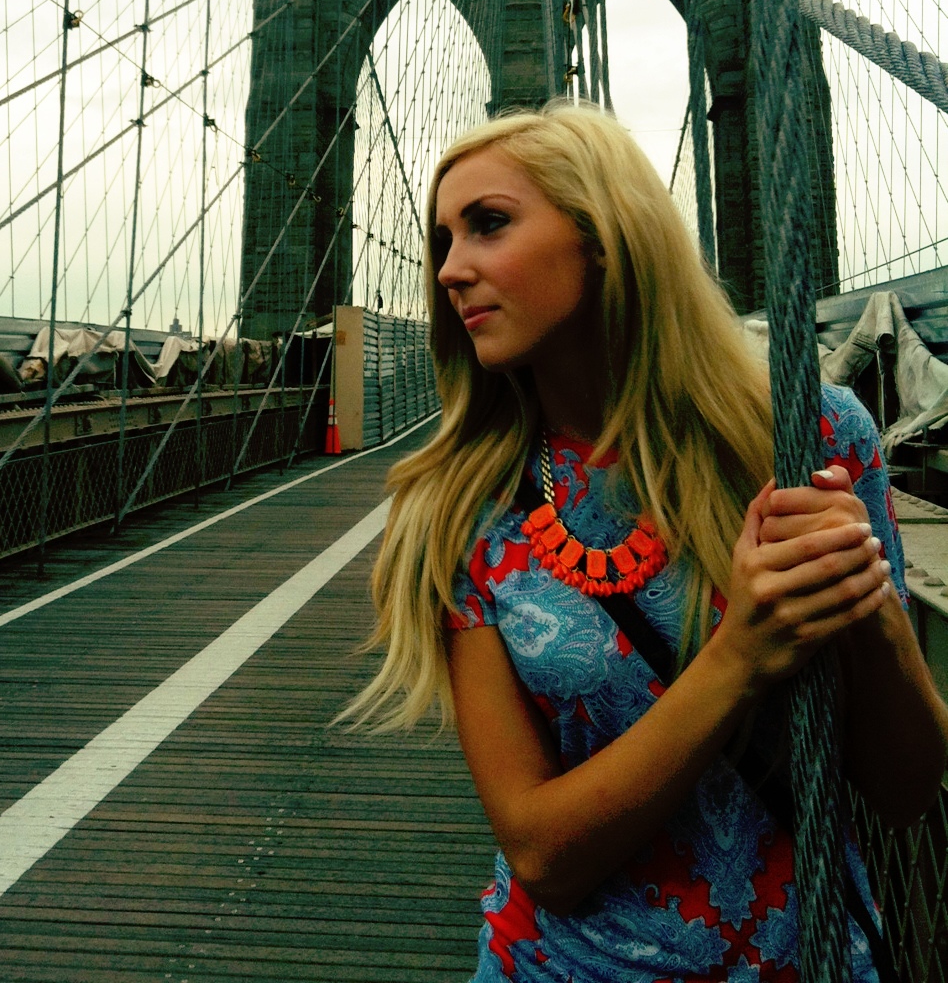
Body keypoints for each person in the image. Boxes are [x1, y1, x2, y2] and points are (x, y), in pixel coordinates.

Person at [347, 102, 947, 982]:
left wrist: (871, 605)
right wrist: (739, 654)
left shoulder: (811, 436)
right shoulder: (462, 511)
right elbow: (542, 856)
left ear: (604, 238)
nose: (449, 269)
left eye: (489, 225)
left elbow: (906, 791)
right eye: (443, 240)